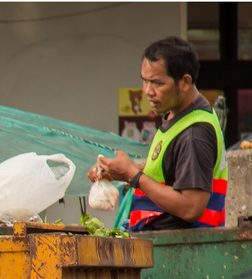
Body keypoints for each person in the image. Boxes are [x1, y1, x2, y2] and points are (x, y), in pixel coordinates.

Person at [88, 36, 226, 230]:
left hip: (183, 250)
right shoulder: (178, 117)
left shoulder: (194, 133)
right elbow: (170, 175)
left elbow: (191, 208)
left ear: (185, 82)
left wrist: (133, 175)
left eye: (157, 83)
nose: (147, 91)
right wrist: (121, 172)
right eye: (144, 81)